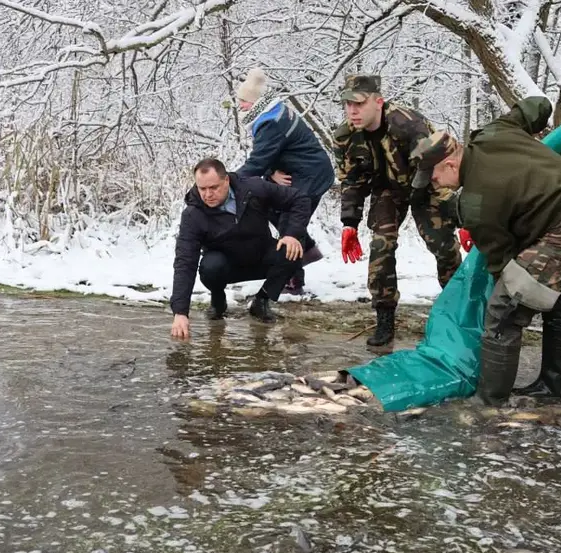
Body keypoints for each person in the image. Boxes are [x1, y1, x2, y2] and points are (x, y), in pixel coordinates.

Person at [410, 96, 561, 407]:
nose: (435, 184)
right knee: (560, 307)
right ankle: (552, 387)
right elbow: (538, 105)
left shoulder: (475, 202)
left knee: (504, 312)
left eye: (434, 177)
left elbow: (502, 268)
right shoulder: (494, 132)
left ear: (450, 164)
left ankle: (490, 403)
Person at [333, 74, 465, 348]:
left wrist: (461, 216)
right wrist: (349, 222)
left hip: (427, 184)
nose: (352, 111)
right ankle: (384, 318)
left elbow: (439, 166)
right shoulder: (345, 136)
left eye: (359, 103)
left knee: (441, 244)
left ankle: (459, 311)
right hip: (387, 189)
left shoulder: (408, 124)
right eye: (348, 104)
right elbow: (352, 180)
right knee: (381, 245)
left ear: (378, 102)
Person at [169, 158, 312, 340]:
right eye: (202, 189)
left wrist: (291, 234)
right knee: (210, 266)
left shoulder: (253, 188)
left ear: (226, 180)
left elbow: (299, 199)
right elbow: (185, 262)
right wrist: (180, 312)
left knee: (293, 250)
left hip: (261, 255)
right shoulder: (193, 215)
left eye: (213, 187)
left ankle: (262, 300)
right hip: (225, 266)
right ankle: (218, 300)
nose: (208, 194)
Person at [233, 67, 335, 295]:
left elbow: (258, 161)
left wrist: (229, 181)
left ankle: (293, 280)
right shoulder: (272, 111)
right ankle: (307, 251)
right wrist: (271, 174)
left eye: (243, 101)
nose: (240, 105)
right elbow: (274, 151)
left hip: (310, 176)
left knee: (290, 224)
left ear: (256, 101)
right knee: (270, 209)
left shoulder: (271, 122)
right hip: (298, 172)